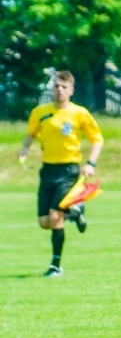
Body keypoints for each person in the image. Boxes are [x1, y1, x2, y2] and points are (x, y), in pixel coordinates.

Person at [18, 70, 104, 278]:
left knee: (55, 216)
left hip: (69, 170)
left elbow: (97, 139)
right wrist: (24, 149)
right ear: (51, 88)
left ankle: (56, 266)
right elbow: (31, 133)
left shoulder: (79, 113)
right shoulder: (40, 111)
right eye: (56, 86)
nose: (59, 90)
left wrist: (90, 163)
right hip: (47, 170)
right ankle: (75, 211)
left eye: (64, 87)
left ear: (71, 90)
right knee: (44, 222)